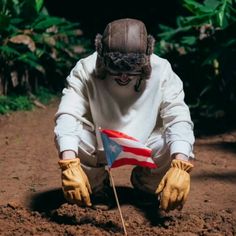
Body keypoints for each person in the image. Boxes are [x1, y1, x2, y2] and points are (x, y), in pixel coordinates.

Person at [54, 18, 195, 211]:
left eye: (131, 70)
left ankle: (147, 186)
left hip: (146, 143)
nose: (123, 77)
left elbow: (178, 117)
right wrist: (68, 163)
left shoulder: (162, 70)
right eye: (116, 69)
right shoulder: (85, 69)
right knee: (70, 138)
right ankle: (95, 187)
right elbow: (67, 115)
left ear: (147, 58)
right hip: (99, 141)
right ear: (102, 57)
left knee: (173, 144)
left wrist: (181, 164)